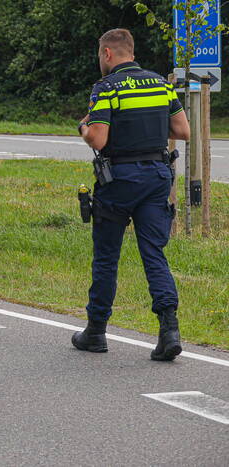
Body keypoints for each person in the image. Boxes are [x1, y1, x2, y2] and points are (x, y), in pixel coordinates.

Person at [73, 28, 190, 361]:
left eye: (100, 55)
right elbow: (183, 131)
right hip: (157, 177)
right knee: (154, 254)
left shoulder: (106, 87)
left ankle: (95, 332)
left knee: (107, 256)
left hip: (120, 180)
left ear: (108, 54)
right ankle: (169, 330)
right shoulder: (160, 84)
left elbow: (98, 139)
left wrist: (83, 127)